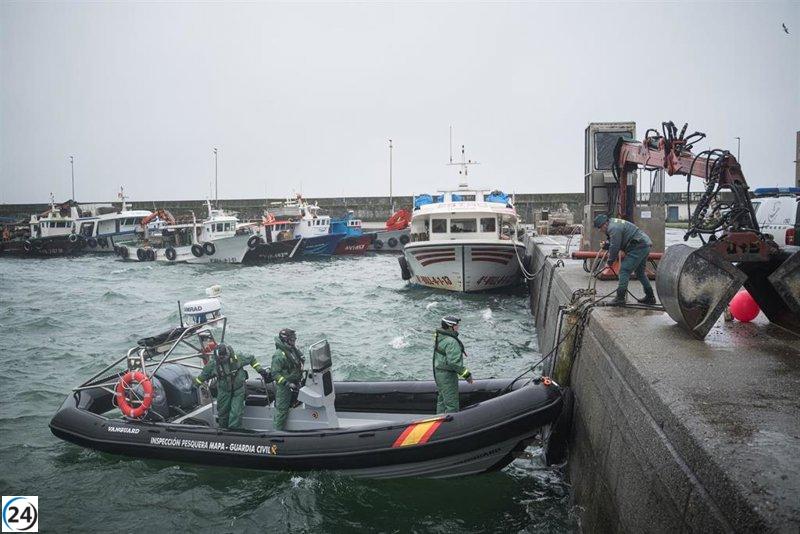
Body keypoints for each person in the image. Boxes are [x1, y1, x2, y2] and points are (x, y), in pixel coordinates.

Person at [194, 343, 270, 430]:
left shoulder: (238, 358)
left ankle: (234, 431)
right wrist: (195, 386)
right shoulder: (213, 363)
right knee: (222, 413)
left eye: (224, 357)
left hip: (238, 390)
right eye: (220, 357)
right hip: (223, 391)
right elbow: (203, 376)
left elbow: (252, 358)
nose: (222, 359)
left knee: (236, 413)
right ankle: (222, 431)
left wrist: (261, 370)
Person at [593, 214, 656, 305]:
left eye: (600, 228)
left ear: (604, 224)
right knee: (640, 272)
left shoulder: (613, 228)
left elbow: (615, 247)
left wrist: (609, 262)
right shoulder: (613, 223)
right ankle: (650, 296)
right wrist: (608, 244)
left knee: (624, 270)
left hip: (638, 246)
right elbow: (616, 240)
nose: (600, 230)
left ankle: (620, 298)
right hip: (644, 244)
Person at [433, 316, 474, 414]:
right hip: (447, 376)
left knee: (442, 400)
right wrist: (467, 375)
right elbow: (454, 363)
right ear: (450, 326)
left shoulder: (440, 336)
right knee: (451, 403)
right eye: (456, 325)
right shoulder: (451, 342)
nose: (458, 327)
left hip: (439, 372)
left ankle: (439, 422)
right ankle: (450, 425)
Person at [271, 328, 305, 431]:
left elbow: (300, 359)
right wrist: (286, 383)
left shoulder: (292, 350)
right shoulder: (278, 355)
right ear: (285, 340)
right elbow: (275, 374)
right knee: (281, 412)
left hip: (295, 382)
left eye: (294, 339)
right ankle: (276, 434)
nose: (293, 341)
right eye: (291, 340)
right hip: (284, 387)